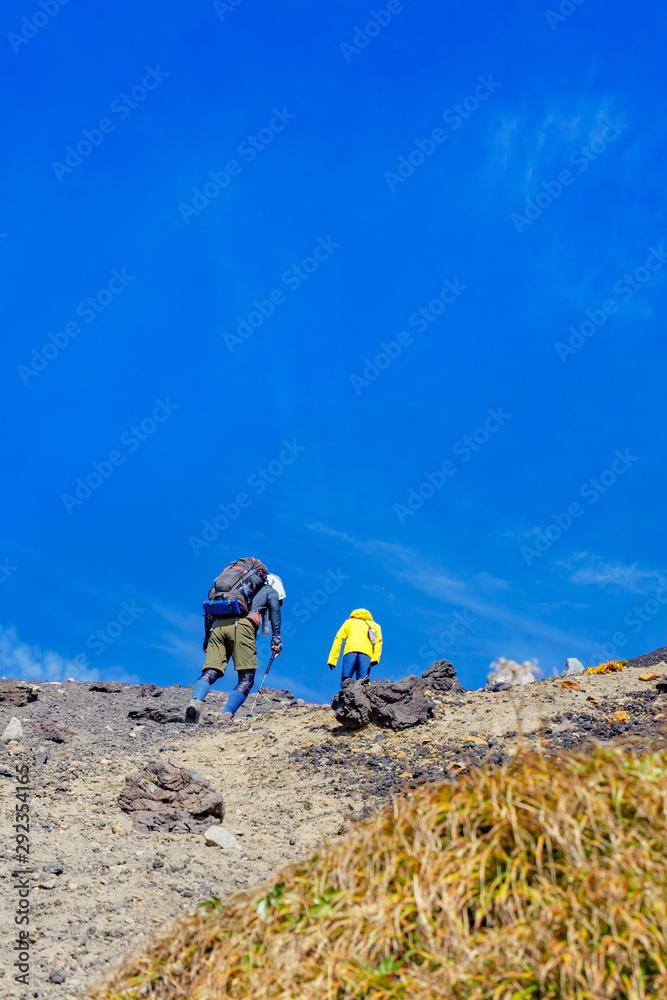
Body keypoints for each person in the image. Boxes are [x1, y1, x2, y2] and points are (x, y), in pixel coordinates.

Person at [185, 559, 283, 726]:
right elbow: (274, 609)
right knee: (247, 677)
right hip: (242, 627)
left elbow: (209, 611)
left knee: (210, 671)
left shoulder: (233, 589)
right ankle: (226, 715)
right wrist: (276, 638)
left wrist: (207, 639)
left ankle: (195, 701)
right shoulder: (268, 590)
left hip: (217, 626)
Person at [327, 608, 383, 682]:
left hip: (350, 651)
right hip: (366, 653)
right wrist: (375, 658)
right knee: (363, 680)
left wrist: (332, 660)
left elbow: (338, 638)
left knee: (346, 678)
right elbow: (378, 641)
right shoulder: (375, 625)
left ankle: (347, 690)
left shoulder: (349, 622)